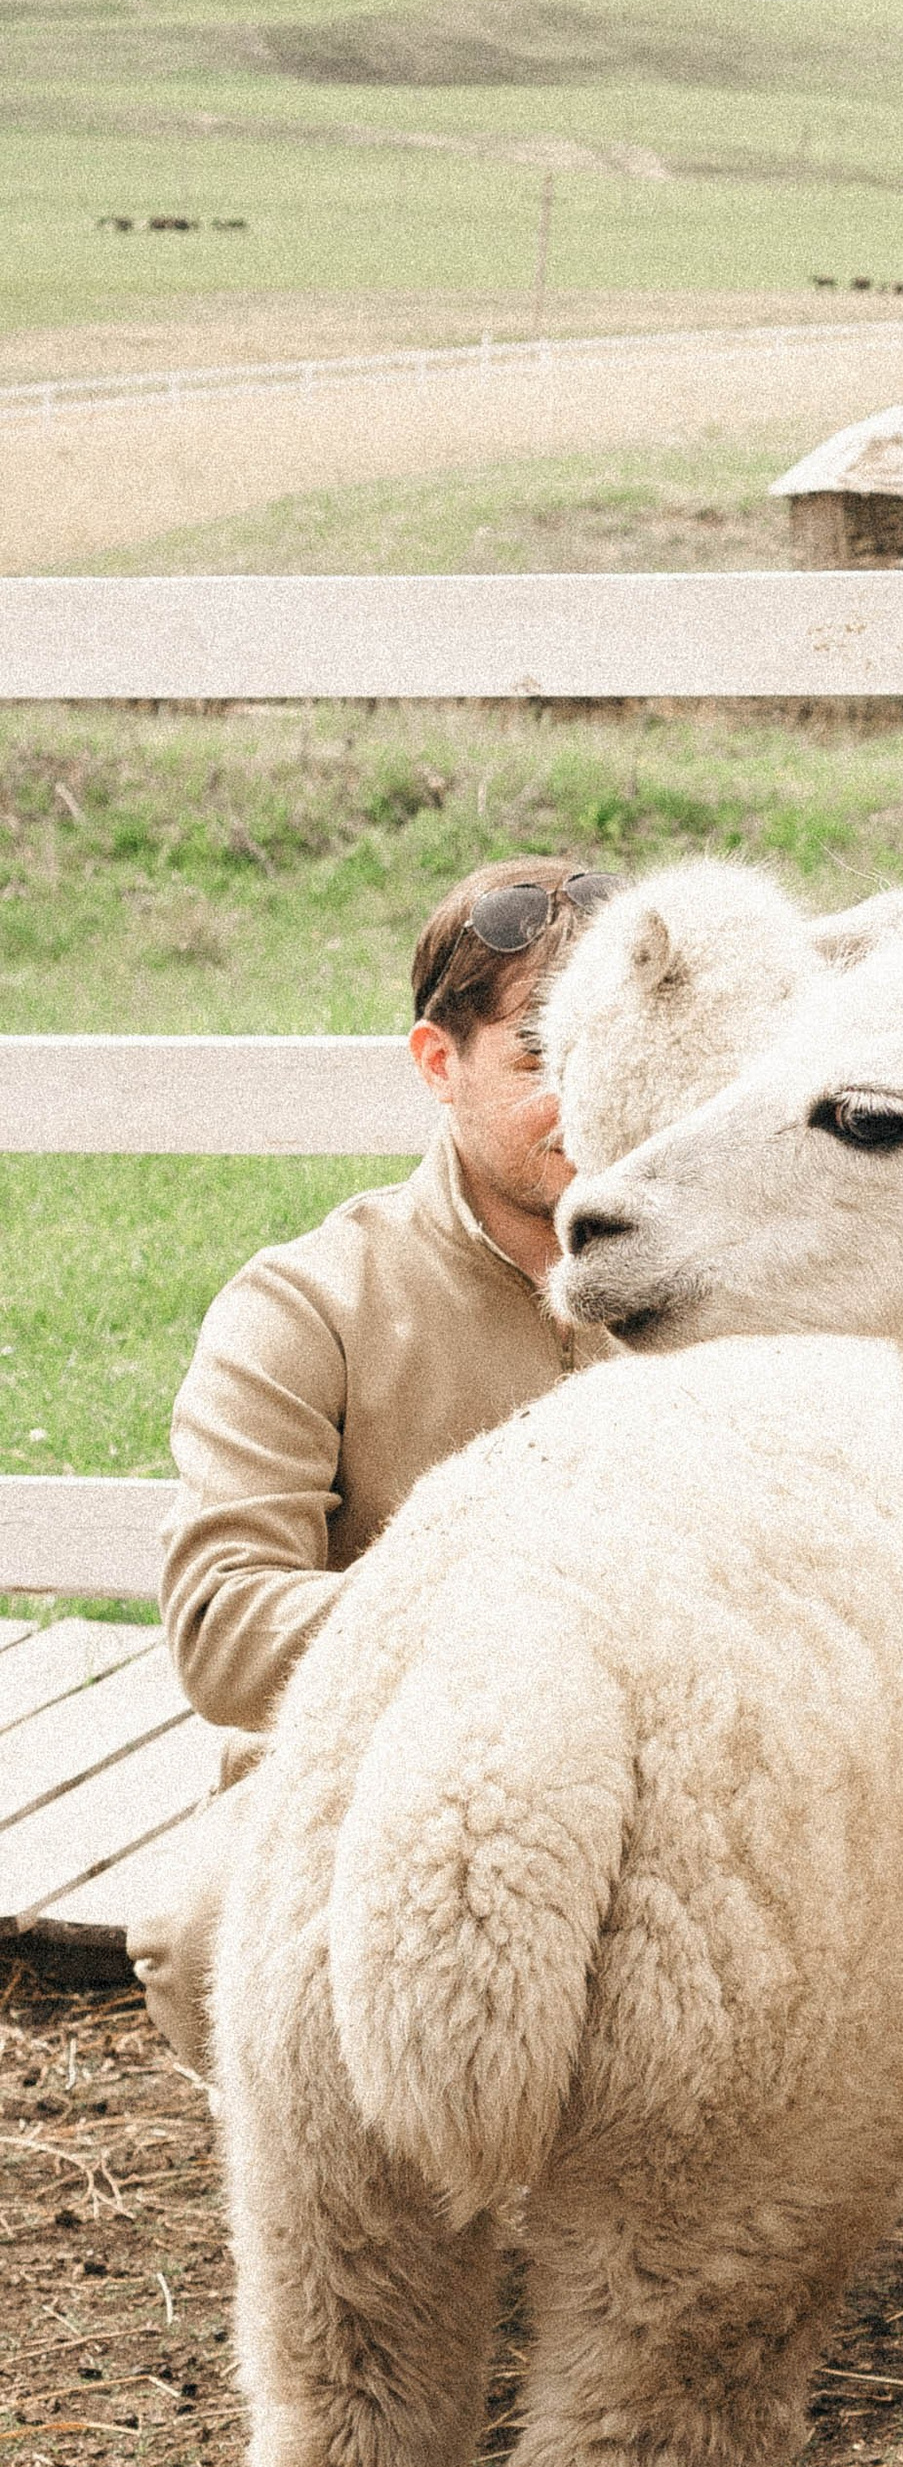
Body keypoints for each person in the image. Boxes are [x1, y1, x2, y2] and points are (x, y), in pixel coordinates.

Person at [128, 858, 626, 2068]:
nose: (594, 1097)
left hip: (672, 1772)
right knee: (205, 1939)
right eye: (539, 1056)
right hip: (374, 1775)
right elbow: (224, 1632)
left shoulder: (738, 1287)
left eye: (618, 1051)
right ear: (435, 1062)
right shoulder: (304, 1303)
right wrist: (531, 1622)